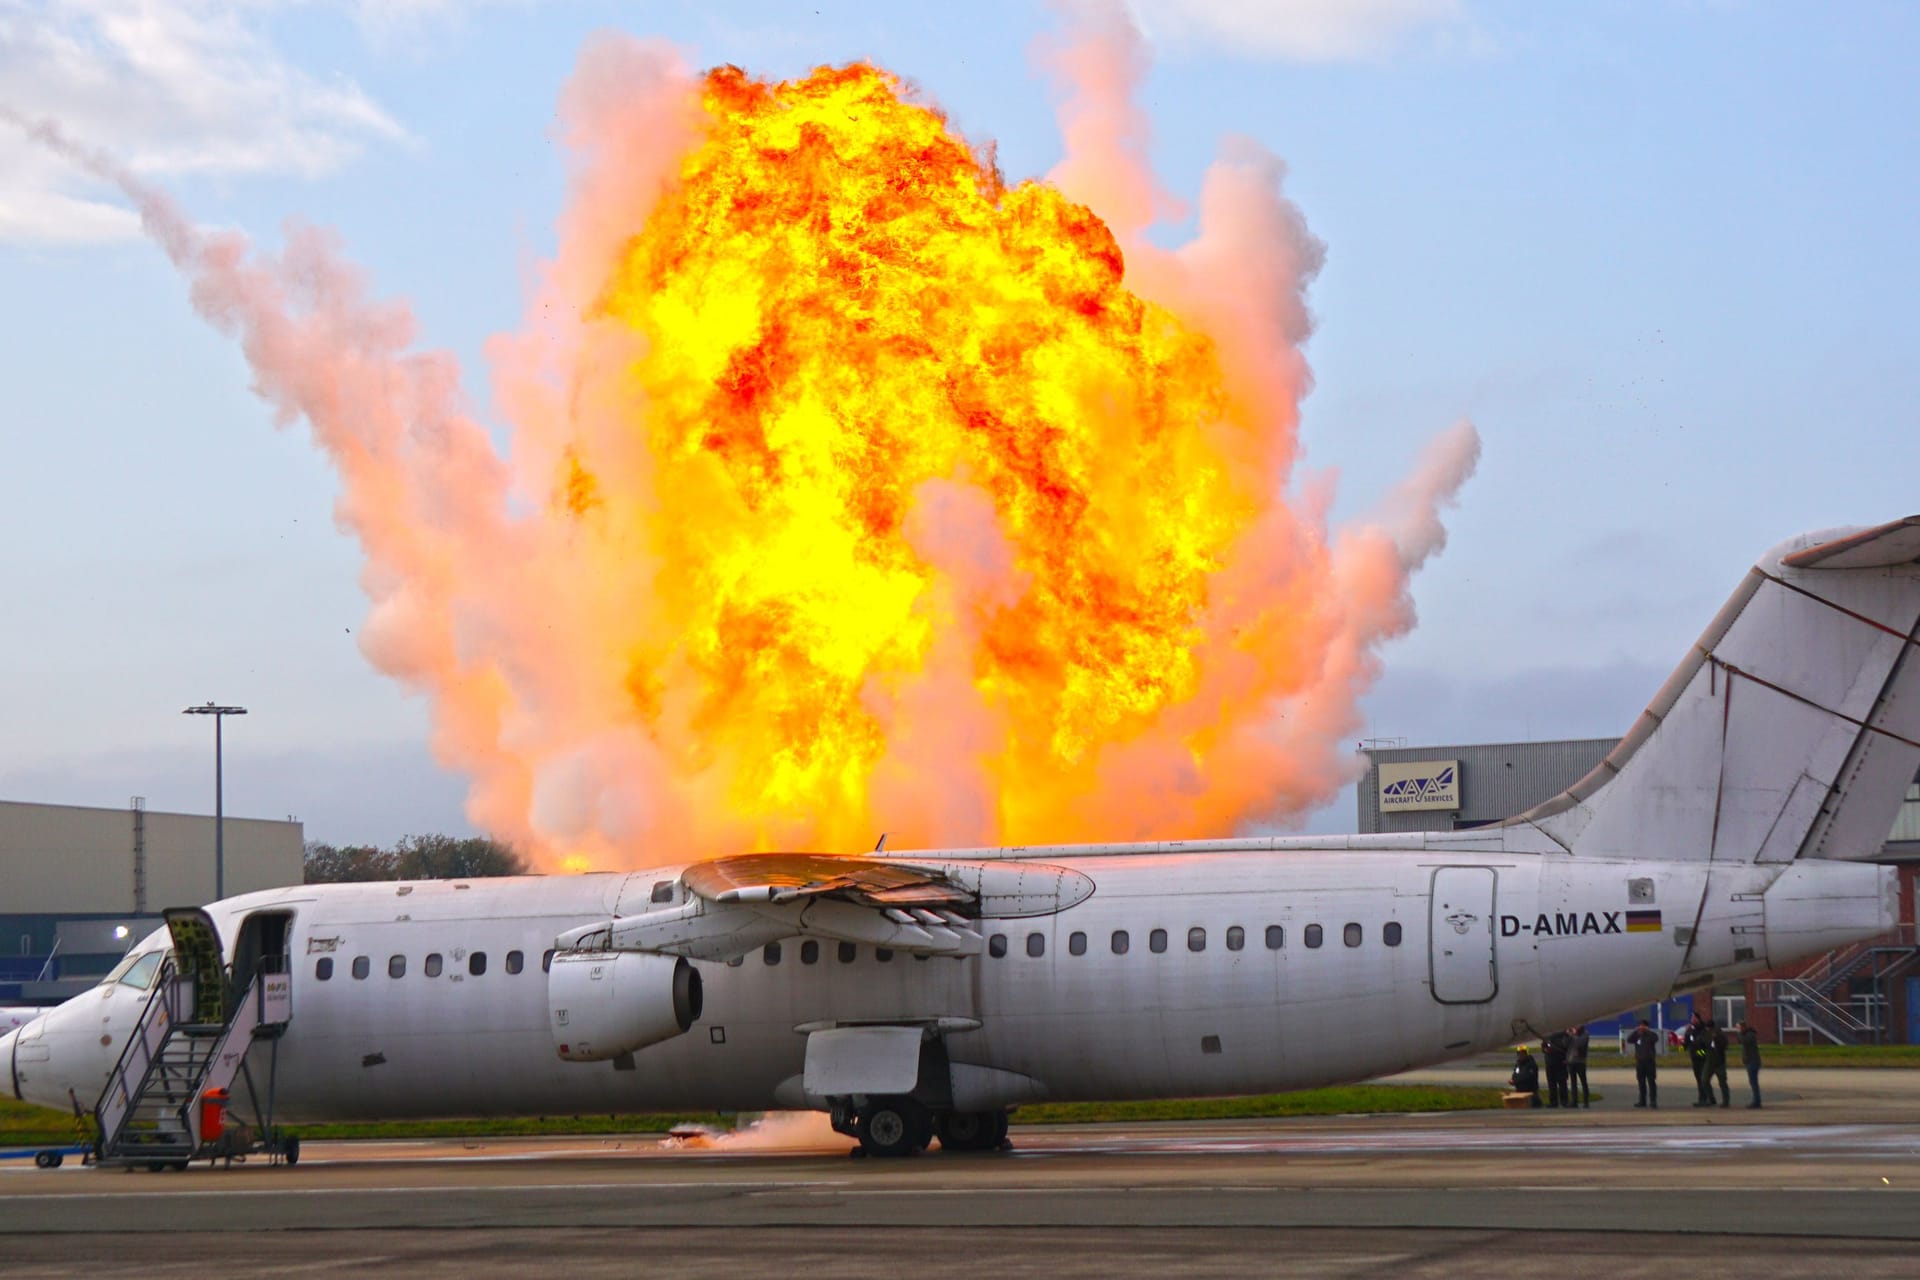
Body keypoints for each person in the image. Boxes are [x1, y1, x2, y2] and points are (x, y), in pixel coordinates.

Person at [1627, 1018, 1660, 1108]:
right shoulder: (1637, 1035)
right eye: (1640, 1025)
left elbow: (1655, 1038)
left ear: (1646, 1026)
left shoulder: (1651, 1035)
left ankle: (1653, 1101)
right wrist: (1636, 1031)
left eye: (1643, 1025)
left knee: (1651, 1082)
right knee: (1641, 1082)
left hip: (1649, 1062)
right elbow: (1629, 1040)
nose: (1641, 1027)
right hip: (1640, 1062)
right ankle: (1642, 1100)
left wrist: (1646, 1031)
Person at [1683, 1012, 1714, 1106]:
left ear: (1698, 1019)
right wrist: (1679, 1047)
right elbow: (1685, 1046)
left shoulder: (1704, 1030)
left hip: (1703, 1059)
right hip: (1695, 1059)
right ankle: (1705, 1098)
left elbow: (1706, 1047)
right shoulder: (1691, 1031)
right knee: (1699, 1080)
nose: (1691, 1020)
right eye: (1691, 1018)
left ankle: (1705, 1099)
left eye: (1693, 1018)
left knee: (1703, 1079)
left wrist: (1698, 1053)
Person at [1541, 1029, 1571, 1108]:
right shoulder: (1549, 1034)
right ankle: (1555, 1102)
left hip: (1560, 1062)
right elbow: (1543, 1047)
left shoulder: (1563, 1035)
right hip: (1551, 1062)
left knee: (1561, 1083)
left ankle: (1563, 1101)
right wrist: (1546, 1049)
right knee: (1552, 1084)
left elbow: (1566, 1046)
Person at [1708, 1020, 1732, 1107]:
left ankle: (1726, 1101)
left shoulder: (1718, 1035)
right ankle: (1711, 1099)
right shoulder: (1710, 1035)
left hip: (1719, 1062)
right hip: (1711, 1062)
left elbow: (1723, 1046)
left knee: (1722, 1082)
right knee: (1705, 1080)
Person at [1739, 1020, 1763, 1108]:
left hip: (1752, 1061)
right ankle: (1756, 1100)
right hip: (1750, 1061)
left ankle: (1756, 1101)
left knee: (1753, 1082)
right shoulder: (1748, 1034)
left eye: (1739, 1028)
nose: (1738, 1030)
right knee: (1753, 1082)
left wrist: (1740, 1034)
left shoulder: (1750, 1035)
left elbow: (1744, 1042)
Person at [1567, 1024, 1591, 1108]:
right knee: (1573, 1083)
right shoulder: (1572, 1034)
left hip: (1580, 1062)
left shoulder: (1585, 1034)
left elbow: (1579, 1042)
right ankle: (1574, 1101)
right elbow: (1566, 1044)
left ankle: (1586, 1101)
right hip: (1571, 1061)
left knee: (1583, 1082)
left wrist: (1572, 1034)